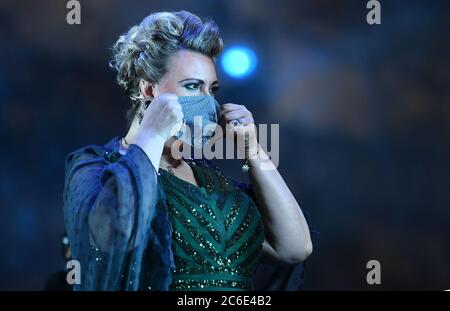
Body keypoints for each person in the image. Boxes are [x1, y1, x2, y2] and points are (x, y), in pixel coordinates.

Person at [63, 10, 313, 291]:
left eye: (212, 90)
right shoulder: (96, 167)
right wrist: (153, 133)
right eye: (193, 86)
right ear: (148, 91)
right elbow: (113, 234)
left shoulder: (214, 182)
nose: (208, 103)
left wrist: (253, 151)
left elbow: (295, 247)